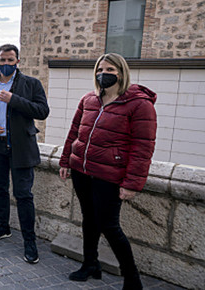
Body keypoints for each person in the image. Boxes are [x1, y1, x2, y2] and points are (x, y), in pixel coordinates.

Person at [59, 53, 156, 289]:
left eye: (111, 69)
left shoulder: (139, 105)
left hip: (110, 175)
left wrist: (132, 183)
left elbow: (142, 147)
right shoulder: (88, 100)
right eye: (100, 69)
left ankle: (132, 278)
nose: (104, 74)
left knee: (109, 226)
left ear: (121, 73)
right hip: (82, 171)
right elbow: (74, 133)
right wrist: (65, 161)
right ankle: (90, 264)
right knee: (89, 221)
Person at [0, 44, 49, 264]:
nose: (6, 64)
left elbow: (43, 111)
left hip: (21, 149)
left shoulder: (31, 84)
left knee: (24, 195)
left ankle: (29, 241)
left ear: (18, 61)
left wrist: (14, 99)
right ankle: (2, 227)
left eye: (10, 60)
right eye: (2, 60)